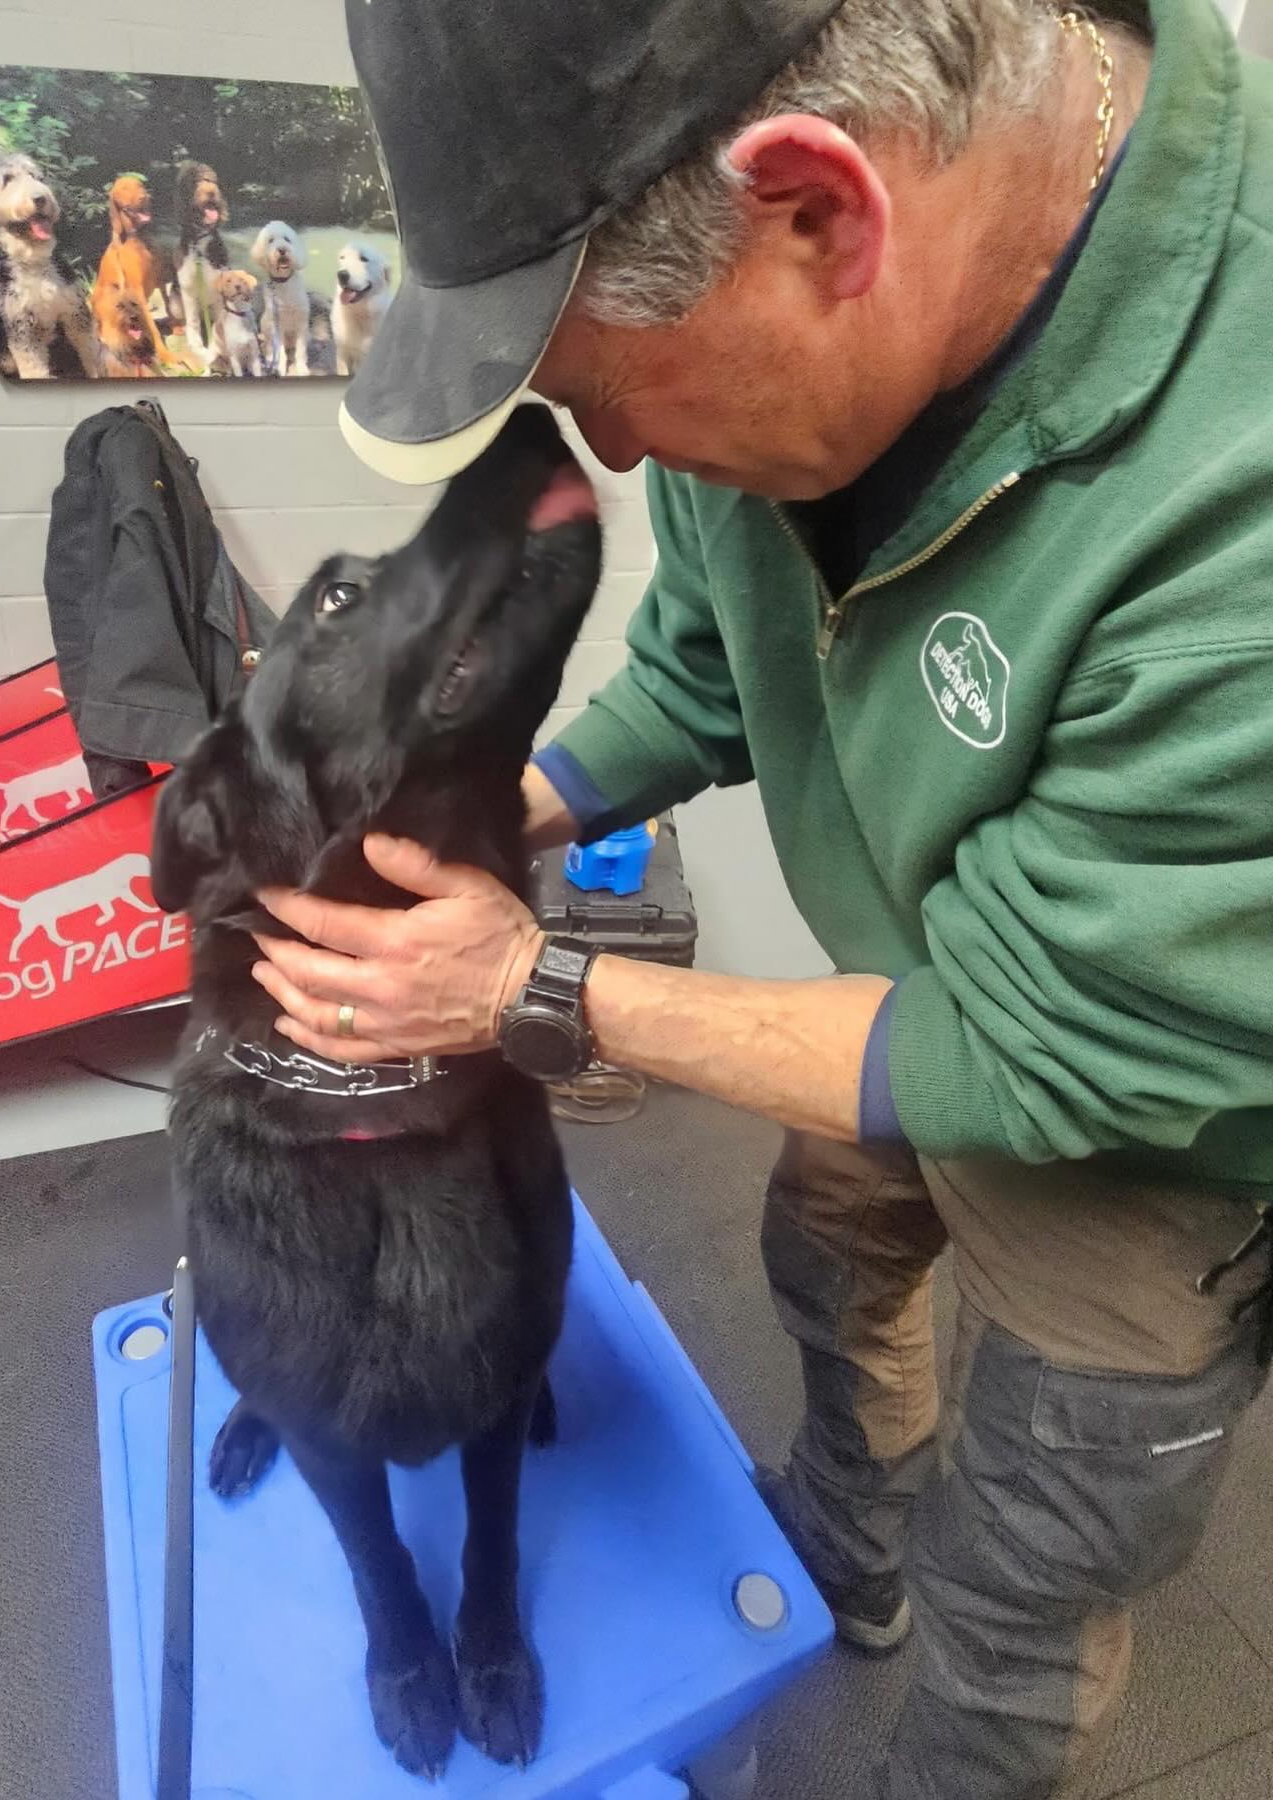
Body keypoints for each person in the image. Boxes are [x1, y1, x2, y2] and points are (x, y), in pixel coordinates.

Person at [248, 1, 1273, 1793]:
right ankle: (847, 1537)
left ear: (819, 213)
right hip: (910, 982)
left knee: (1024, 1584)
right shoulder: (788, 350)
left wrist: (522, 989)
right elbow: (705, 678)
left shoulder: (1235, 497)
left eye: (599, 392)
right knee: (828, 1252)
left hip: (1146, 1126)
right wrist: (503, 815)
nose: (618, 460)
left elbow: (1049, 1051)